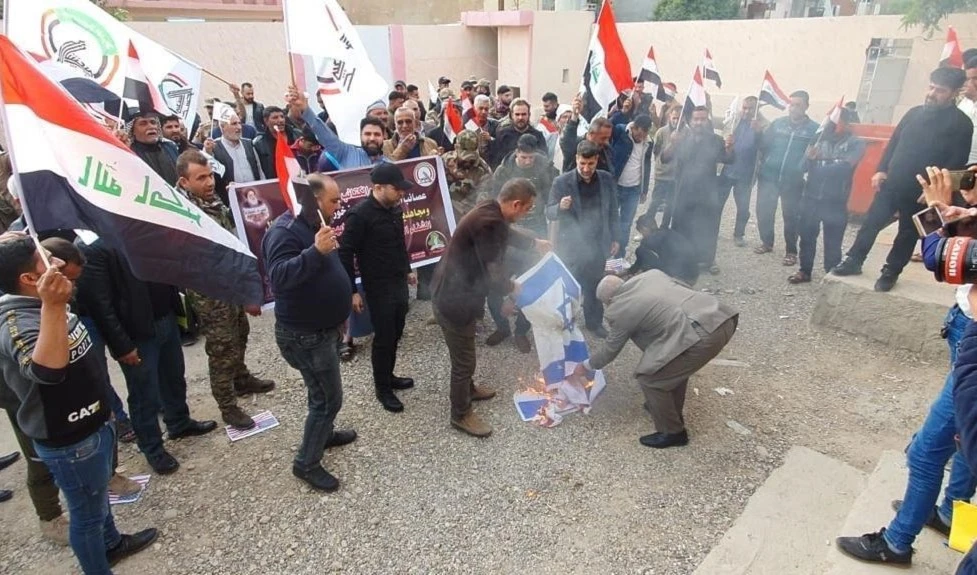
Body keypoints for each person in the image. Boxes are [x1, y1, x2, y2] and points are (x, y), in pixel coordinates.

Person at [0, 235, 158, 574]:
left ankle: (112, 544)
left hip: (93, 423)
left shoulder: (41, 304)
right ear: (29, 280)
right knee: (86, 515)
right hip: (69, 440)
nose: (58, 264)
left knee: (98, 498)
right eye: (47, 261)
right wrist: (54, 307)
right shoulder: (17, 321)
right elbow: (46, 370)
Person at [574, 239, 738, 449]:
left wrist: (586, 366)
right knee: (671, 367)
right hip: (720, 316)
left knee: (651, 378)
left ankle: (673, 432)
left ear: (607, 301)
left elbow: (610, 350)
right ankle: (664, 407)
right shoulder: (651, 275)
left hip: (701, 334)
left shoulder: (620, 309)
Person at [74, 238, 218, 474]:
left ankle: (179, 422)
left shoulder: (141, 230)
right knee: (144, 394)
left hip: (165, 319)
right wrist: (121, 345)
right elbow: (99, 303)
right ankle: (152, 448)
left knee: (173, 377)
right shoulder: (95, 246)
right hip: (136, 334)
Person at [833, 67, 973, 292]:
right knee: (871, 223)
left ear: (955, 92)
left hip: (924, 194)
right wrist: (881, 170)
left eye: (941, 90)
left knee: (910, 233)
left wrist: (935, 191)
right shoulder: (914, 113)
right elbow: (893, 144)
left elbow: (956, 162)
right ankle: (854, 260)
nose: (932, 93)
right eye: (931, 87)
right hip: (893, 184)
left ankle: (891, 271)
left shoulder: (962, 124)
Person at [432, 179, 551, 437]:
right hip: (455, 300)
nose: (528, 212)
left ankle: (469, 390)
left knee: (465, 354)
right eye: (527, 208)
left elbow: (507, 233)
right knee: (464, 361)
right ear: (516, 204)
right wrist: (512, 288)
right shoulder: (490, 223)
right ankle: (460, 414)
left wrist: (534, 244)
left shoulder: (490, 208)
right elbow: (493, 272)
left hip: (457, 292)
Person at [263, 174, 357, 492]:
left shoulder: (314, 222)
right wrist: (315, 252)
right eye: (334, 200)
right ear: (314, 200)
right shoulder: (285, 232)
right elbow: (277, 279)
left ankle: (324, 433)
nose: (339, 205)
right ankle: (307, 463)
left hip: (324, 329)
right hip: (305, 336)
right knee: (328, 399)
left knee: (320, 392)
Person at [177, 151, 275, 429]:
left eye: (210, 175)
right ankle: (227, 405)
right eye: (201, 178)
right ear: (184, 182)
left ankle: (241, 379)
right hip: (210, 291)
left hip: (230, 282)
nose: (209, 182)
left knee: (240, 332)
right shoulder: (184, 211)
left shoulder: (212, 199)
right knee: (222, 347)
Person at [339, 163, 417, 413]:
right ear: (378, 187)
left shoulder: (394, 209)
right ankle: (382, 387)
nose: (401, 194)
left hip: (397, 282)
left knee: (396, 331)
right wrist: (351, 290)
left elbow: (398, 242)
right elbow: (345, 254)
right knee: (383, 337)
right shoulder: (359, 215)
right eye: (397, 189)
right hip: (378, 286)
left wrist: (406, 270)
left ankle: (389, 375)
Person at [485, 135, 558, 352]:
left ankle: (521, 331)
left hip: (534, 232)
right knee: (493, 287)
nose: (528, 161)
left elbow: (550, 195)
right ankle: (502, 327)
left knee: (530, 285)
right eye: (524, 157)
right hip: (506, 235)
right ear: (517, 153)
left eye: (531, 158)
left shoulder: (544, 168)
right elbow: (494, 201)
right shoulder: (502, 171)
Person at [547, 140, 620, 337]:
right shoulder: (561, 182)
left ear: (597, 160)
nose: (586, 169)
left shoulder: (606, 179)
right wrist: (559, 207)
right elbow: (549, 212)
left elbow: (613, 210)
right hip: (572, 247)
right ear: (577, 159)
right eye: (582, 164)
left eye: (591, 164)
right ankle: (566, 322)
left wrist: (615, 238)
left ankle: (594, 323)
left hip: (597, 245)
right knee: (569, 288)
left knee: (595, 286)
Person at [788, 109, 866, 284]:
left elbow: (845, 168)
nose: (833, 126)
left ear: (846, 124)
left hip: (836, 200)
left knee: (833, 241)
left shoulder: (856, 144)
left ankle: (830, 274)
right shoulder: (818, 138)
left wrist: (817, 168)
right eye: (831, 122)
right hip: (811, 197)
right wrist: (809, 159)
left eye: (837, 123)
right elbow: (801, 168)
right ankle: (804, 271)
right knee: (807, 237)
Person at [666, 106, 735, 274]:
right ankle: (680, 259)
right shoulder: (681, 138)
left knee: (707, 227)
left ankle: (707, 260)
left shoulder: (716, 140)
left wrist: (730, 147)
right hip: (683, 191)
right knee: (681, 225)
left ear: (707, 120)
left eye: (702, 119)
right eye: (696, 119)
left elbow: (729, 159)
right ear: (690, 120)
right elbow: (665, 158)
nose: (699, 122)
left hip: (708, 192)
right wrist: (672, 144)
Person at [754, 90, 819, 264]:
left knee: (791, 216)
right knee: (764, 211)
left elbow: (815, 156)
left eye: (798, 105)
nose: (794, 108)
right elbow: (763, 145)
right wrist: (759, 134)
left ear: (806, 106)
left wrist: (809, 161)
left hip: (793, 180)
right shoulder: (777, 124)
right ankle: (767, 242)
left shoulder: (814, 129)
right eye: (792, 104)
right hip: (769, 177)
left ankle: (791, 251)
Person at [719, 96, 765, 247]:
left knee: (743, 207)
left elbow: (765, 147)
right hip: (726, 170)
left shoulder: (763, 125)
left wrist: (758, 133)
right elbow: (722, 132)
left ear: (756, 109)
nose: (746, 111)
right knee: (717, 203)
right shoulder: (734, 120)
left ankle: (739, 234)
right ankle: (713, 229)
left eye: (750, 108)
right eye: (744, 107)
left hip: (746, 174)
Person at [610, 114, 653, 259]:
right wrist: (622, 111)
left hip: (634, 189)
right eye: (639, 132)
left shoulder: (648, 143)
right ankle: (606, 253)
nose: (641, 136)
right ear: (633, 127)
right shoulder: (621, 132)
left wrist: (644, 190)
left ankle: (619, 256)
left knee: (626, 224)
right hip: (616, 187)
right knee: (611, 221)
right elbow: (609, 124)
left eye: (645, 133)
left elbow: (646, 165)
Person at [212, 113, 265, 206]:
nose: (239, 127)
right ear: (223, 127)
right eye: (234, 124)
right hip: (231, 202)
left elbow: (259, 170)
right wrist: (207, 152)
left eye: (239, 123)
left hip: (255, 198)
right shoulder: (214, 147)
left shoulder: (248, 144)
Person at [442, 130, 494, 222]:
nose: (468, 161)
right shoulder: (443, 161)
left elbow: (482, 203)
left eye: (472, 156)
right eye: (465, 156)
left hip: (468, 217)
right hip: (443, 213)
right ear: (456, 148)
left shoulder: (483, 170)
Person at [645, 105, 681, 229]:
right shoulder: (662, 132)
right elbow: (656, 152)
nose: (676, 121)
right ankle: (646, 226)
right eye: (674, 118)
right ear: (669, 117)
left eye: (679, 118)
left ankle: (664, 228)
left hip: (676, 176)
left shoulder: (686, 132)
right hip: (663, 175)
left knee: (670, 205)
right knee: (655, 202)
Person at [560, 97, 615, 174]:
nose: (606, 142)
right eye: (603, 138)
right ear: (592, 134)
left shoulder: (606, 149)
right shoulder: (575, 146)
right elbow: (567, 141)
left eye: (608, 138)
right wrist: (574, 116)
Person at [492, 98, 548, 169]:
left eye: (524, 114)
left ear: (529, 115)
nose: (520, 117)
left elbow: (544, 162)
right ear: (512, 115)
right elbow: (495, 162)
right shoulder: (502, 135)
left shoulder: (538, 136)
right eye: (517, 114)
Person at [128, 110, 179, 187]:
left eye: (153, 122)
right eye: (143, 124)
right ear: (133, 131)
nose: (151, 126)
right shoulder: (130, 152)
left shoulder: (170, 147)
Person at [252, 106, 295, 179]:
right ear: (266, 121)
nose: (280, 120)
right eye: (275, 118)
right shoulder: (259, 144)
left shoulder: (297, 135)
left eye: (282, 117)